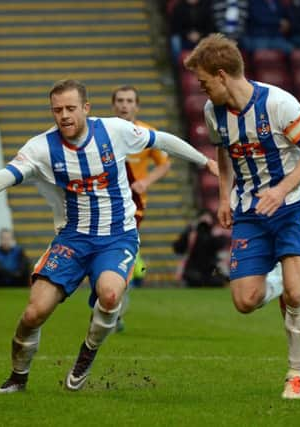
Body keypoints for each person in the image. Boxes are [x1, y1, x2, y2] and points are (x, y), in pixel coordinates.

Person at [0, 79, 218, 393]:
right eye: (57, 110)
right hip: (73, 239)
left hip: (118, 236)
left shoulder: (113, 130)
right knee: (33, 312)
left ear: (86, 108)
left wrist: (206, 161)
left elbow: (161, 140)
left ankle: (86, 355)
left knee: (110, 295)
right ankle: (18, 377)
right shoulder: (41, 148)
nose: (64, 115)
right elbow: (2, 178)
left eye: (70, 108)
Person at [184, 33, 300, 399]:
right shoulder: (212, 111)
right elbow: (223, 153)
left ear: (220, 74)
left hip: (293, 205)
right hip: (250, 211)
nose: (200, 89)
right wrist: (223, 197)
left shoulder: (278, 103)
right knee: (245, 301)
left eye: (202, 81)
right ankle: (278, 284)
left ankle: (295, 374)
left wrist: (281, 190)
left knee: (299, 294)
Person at [111, 85, 172, 330]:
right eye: (120, 101)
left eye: (129, 101)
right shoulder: (101, 130)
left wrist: (145, 181)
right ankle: (126, 278)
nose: (125, 105)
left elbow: (165, 164)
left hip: (133, 205)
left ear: (137, 106)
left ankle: (114, 307)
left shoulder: (147, 133)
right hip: (104, 201)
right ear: (113, 105)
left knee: (118, 253)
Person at [173, 209, 230, 287]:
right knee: (194, 279)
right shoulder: (191, 233)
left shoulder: (214, 234)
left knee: (217, 280)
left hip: (211, 269)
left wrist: (214, 234)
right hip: (193, 269)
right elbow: (178, 249)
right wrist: (188, 235)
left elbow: (221, 246)